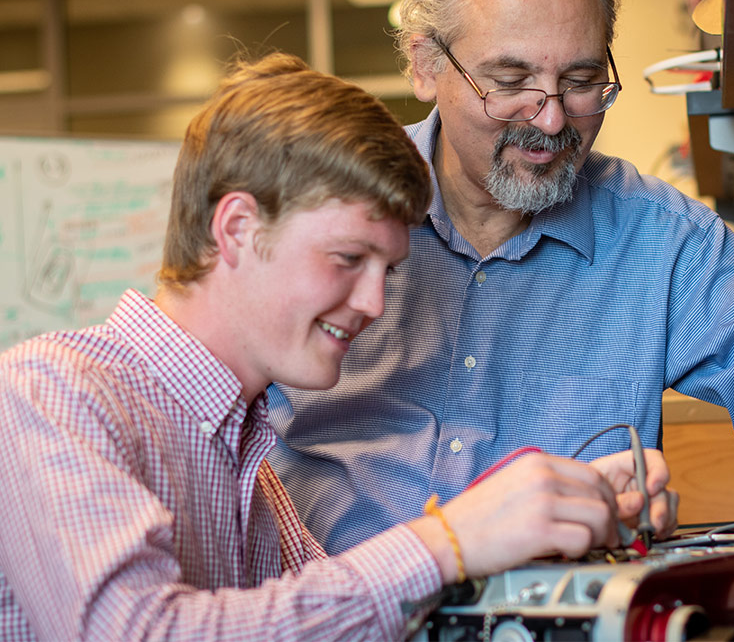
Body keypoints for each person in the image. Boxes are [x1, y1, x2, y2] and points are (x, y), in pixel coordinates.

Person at [0, 52, 677, 641]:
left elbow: (350, 618)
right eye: (348, 258)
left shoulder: (249, 461)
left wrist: (550, 523)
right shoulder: (52, 392)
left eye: (386, 270)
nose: (374, 304)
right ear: (236, 228)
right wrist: (448, 540)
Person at [267, 0, 734, 557]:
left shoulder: (660, 238)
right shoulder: (319, 204)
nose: (553, 121)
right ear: (426, 64)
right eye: (510, 81)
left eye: (582, 82)